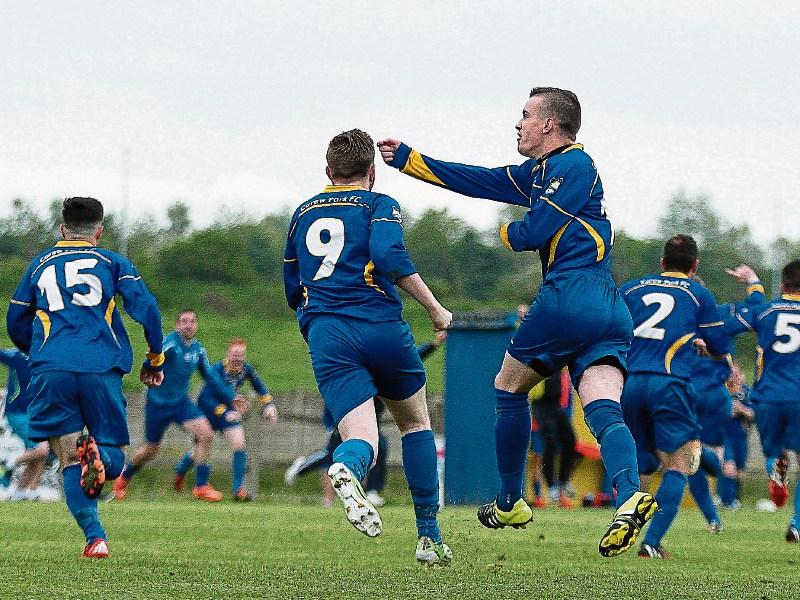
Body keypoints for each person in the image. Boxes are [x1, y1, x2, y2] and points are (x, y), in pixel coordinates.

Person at [379, 87, 655, 557]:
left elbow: (535, 230)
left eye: (525, 115)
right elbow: (478, 179)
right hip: (608, 309)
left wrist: (509, 233)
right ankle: (629, 495)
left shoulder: (574, 165)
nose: (518, 123)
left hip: (570, 296)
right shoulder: (542, 172)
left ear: (549, 124)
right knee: (602, 403)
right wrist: (410, 160)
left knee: (508, 386)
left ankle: (509, 500)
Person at [284, 129, 453, 565]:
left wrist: (316, 323)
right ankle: (428, 538)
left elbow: (291, 287)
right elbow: (391, 256)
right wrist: (435, 309)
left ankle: (349, 467)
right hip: (378, 324)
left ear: (328, 172)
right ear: (372, 172)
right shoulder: (379, 204)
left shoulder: (302, 213)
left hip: (327, 334)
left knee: (360, 437)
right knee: (415, 424)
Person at [6, 197, 165, 558]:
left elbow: (15, 319)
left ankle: (95, 539)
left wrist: (39, 351)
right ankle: (100, 457)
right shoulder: (112, 262)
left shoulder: (39, 265)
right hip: (100, 367)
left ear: (63, 229)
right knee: (114, 459)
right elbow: (147, 309)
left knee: (68, 460)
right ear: (99, 230)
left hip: (51, 369)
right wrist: (154, 358)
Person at [619, 235, 731, 558]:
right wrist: (704, 347)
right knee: (679, 463)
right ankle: (651, 543)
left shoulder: (631, 288)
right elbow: (720, 345)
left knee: (640, 463)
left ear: (661, 263)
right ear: (695, 266)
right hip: (669, 383)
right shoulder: (698, 294)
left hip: (631, 382)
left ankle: (622, 524)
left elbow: (610, 330)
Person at [284, 333, 447, 508]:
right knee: (333, 455)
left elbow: (411, 358)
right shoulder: (354, 363)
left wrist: (433, 344)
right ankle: (304, 467)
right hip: (344, 413)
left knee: (380, 447)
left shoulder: (387, 365)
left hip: (371, 415)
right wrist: (333, 423)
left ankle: (371, 491)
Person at [113, 310, 243, 502]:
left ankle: (201, 486)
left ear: (196, 325)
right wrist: (150, 368)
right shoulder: (172, 343)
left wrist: (231, 397)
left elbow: (210, 376)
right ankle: (124, 477)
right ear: (177, 326)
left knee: (206, 433)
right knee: (151, 449)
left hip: (181, 403)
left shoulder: (198, 350)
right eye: (184, 321)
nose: (188, 325)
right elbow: (155, 355)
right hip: (157, 404)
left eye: (192, 321)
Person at [725, 261, 800, 541]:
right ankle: (796, 524)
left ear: (782, 285)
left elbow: (728, 327)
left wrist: (753, 283)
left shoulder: (765, 311)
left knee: (775, 452)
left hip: (768, 396)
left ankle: (776, 471)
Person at [174, 338, 278, 501]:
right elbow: (205, 398)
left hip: (228, 412)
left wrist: (269, 404)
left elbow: (259, 386)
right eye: (235, 355)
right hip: (208, 412)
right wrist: (223, 412)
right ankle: (180, 471)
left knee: (239, 445)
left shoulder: (245, 370)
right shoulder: (216, 370)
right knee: (197, 453)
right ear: (228, 354)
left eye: (241, 355)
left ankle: (238, 490)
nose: (238, 359)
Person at [0, 348, 53, 500]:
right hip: (18, 414)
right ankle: (10, 464)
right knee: (42, 449)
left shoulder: (46, 357)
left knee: (41, 455)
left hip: (34, 415)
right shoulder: (17, 356)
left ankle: (21, 492)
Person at [530, 369, 577, 508]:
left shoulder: (560, 362)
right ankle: (551, 486)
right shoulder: (540, 356)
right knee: (550, 443)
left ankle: (563, 480)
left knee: (571, 440)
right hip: (541, 405)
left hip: (556, 405)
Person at [719, 362, 753, 509]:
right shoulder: (720, 391)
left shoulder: (746, 392)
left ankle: (735, 499)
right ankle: (726, 500)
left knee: (739, 472)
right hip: (723, 435)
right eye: (731, 372)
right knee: (728, 467)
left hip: (740, 437)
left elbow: (753, 414)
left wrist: (742, 410)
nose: (734, 375)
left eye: (736, 372)